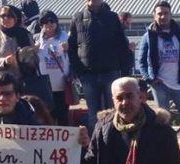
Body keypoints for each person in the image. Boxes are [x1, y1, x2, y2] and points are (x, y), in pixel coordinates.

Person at [68, 0, 128, 132]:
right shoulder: (77, 18)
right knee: (93, 114)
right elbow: (72, 47)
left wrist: (123, 71)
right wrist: (80, 71)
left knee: (114, 111)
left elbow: (122, 46)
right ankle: (95, 146)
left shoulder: (112, 17)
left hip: (110, 73)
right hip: (88, 75)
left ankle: (115, 142)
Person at [139, 1, 180, 128]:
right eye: (160, 14)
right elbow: (141, 61)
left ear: (171, 15)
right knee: (163, 120)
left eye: (166, 13)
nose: (163, 16)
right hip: (160, 84)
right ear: (154, 15)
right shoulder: (148, 36)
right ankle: (165, 145)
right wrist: (149, 79)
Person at [34, 10, 70, 126]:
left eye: (52, 21)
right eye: (45, 22)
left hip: (62, 83)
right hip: (45, 84)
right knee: (48, 115)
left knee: (63, 114)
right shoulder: (36, 39)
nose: (49, 24)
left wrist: (68, 48)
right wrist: (33, 50)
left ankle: (64, 141)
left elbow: (75, 55)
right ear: (41, 25)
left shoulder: (65, 36)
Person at [0, 5, 34, 81]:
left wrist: (31, 53)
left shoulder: (26, 35)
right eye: (2, 16)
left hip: (26, 80)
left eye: (10, 16)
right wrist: (4, 61)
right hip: (4, 81)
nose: (6, 18)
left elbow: (34, 61)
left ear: (16, 18)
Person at [119, 11, 137, 76]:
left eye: (130, 23)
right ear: (121, 20)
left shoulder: (121, 33)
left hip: (125, 68)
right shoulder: (118, 33)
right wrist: (129, 49)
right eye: (127, 23)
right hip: (122, 69)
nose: (129, 26)